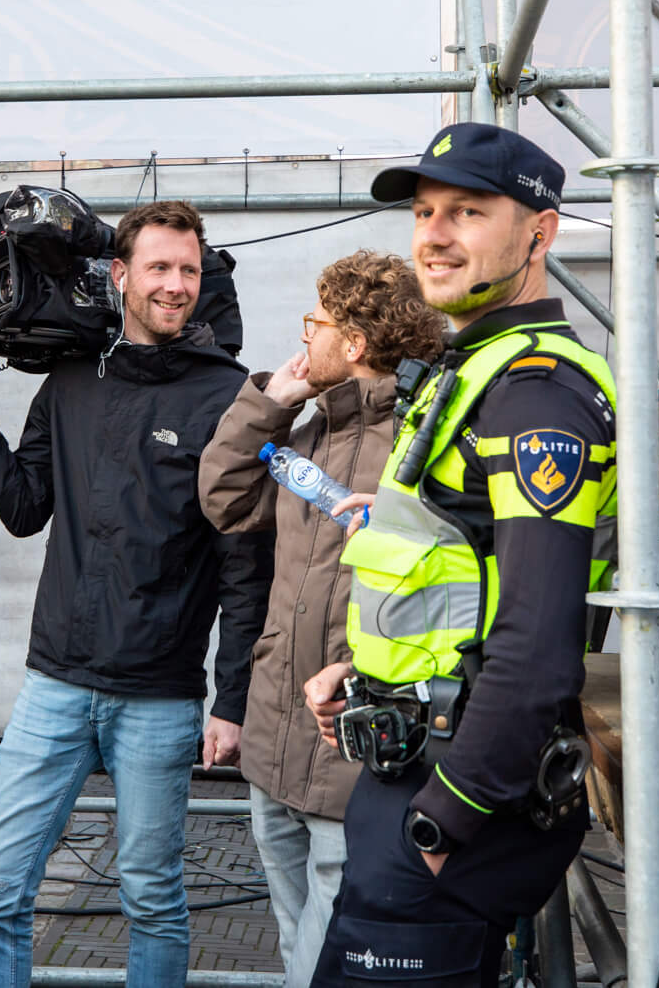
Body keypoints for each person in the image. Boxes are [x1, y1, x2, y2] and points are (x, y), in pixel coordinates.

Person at [0, 199, 266, 988]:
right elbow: (23, 506)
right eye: (159, 268)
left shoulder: (229, 399)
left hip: (158, 695)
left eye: (188, 269)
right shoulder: (72, 380)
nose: (176, 285)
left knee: (151, 895)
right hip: (55, 684)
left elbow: (246, 568)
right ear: (119, 275)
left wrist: (232, 698)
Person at [302, 124, 618, 988]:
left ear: (540, 233)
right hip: (413, 765)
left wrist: (447, 820)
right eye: (425, 211)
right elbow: (458, 564)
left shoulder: (535, 393)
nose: (434, 235)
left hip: (453, 799)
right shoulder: (471, 364)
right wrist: (366, 673)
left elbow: (537, 642)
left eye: (469, 212)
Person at [196, 251, 445, 988]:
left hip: (352, 757)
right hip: (275, 745)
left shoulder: (421, 445)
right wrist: (273, 397)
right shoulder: (307, 433)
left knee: (324, 962)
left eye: (319, 322)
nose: (306, 334)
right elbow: (224, 498)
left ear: (357, 343)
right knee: (291, 941)